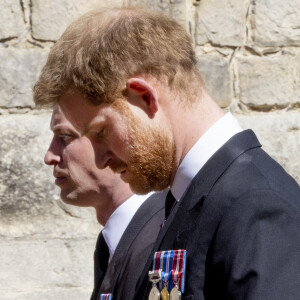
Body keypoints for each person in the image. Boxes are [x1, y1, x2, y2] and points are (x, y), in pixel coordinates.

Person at [33, 7, 300, 300]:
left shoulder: (257, 205)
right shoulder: (188, 200)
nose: (101, 159)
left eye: (101, 132)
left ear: (145, 97)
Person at [42, 104, 166, 300]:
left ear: (116, 138)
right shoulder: (119, 241)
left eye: (64, 137)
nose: (49, 156)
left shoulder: (160, 240)